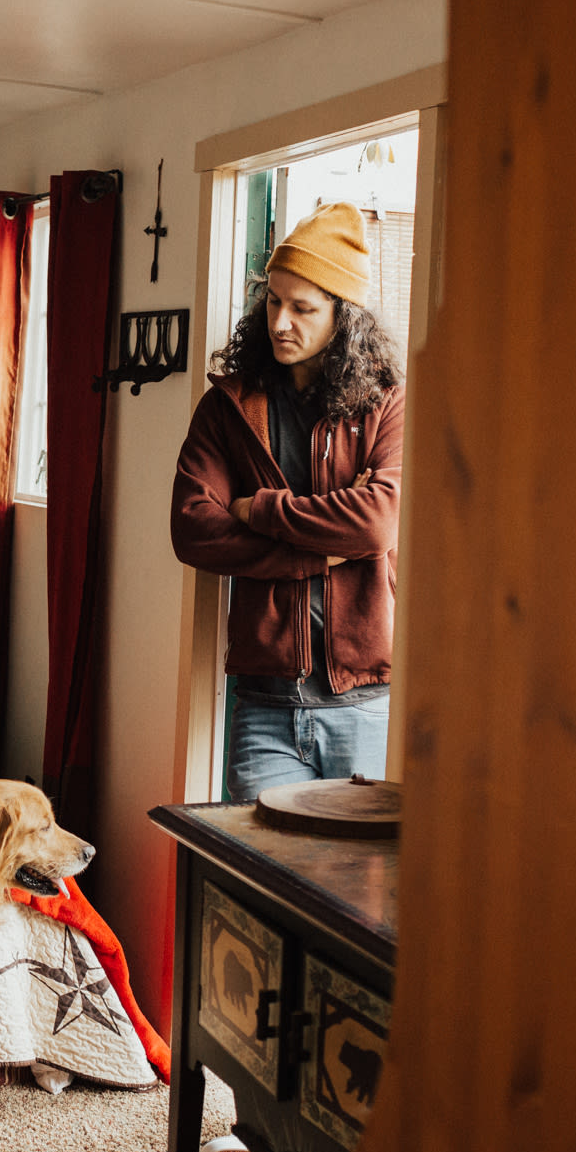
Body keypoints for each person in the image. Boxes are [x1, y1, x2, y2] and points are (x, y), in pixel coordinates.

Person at [170, 201, 404, 802]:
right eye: (274, 301)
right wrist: (313, 554)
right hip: (264, 703)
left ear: (342, 316)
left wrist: (259, 510)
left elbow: (376, 524)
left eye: (303, 308)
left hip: (365, 704)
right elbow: (193, 529)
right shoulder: (229, 405)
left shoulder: (385, 403)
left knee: (357, 886)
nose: (280, 322)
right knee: (254, 883)